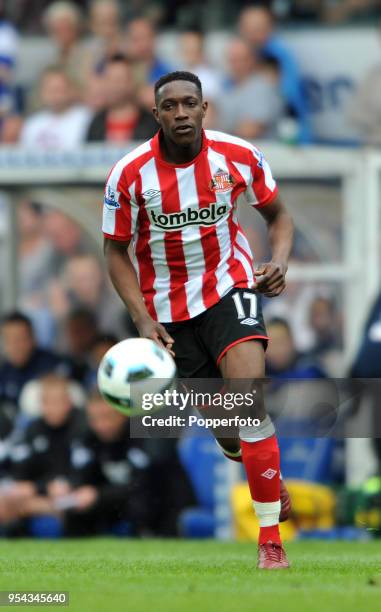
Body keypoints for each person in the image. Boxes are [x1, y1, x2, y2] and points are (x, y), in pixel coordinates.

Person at [102, 71, 294, 569]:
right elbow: (115, 250)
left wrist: (279, 260)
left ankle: (269, 539)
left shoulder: (238, 156)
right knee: (231, 432)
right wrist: (142, 319)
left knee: (247, 398)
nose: (182, 113)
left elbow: (280, 216)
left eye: (191, 104)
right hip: (167, 310)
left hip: (230, 285)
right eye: (171, 106)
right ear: (157, 114)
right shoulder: (129, 174)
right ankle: (264, 471)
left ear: (205, 109)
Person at [1, 374, 86, 534]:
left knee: (48, 522)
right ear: (42, 404)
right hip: (41, 496)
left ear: (69, 401)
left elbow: (81, 473)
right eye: (49, 402)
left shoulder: (82, 426)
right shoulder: (33, 429)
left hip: (74, 496)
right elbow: (21, 473)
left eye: (59, 401)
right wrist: (40, 487)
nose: (54, 408)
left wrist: (40, 487)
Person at [238, 4, 310, 142]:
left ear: (270, 29)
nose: (252, 34)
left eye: (258, 28)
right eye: (248, 29)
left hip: (290, 140)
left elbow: (287, 100)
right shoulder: (241, 53)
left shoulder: (279, 56)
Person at [0, 312, 70, 410]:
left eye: (19, 339)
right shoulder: (3, 372)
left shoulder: (51, 365)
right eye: (9, 340)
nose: (14, 346)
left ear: (32, 339)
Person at [219, 38, 284, 139]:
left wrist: (216, 131)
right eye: (232, 59)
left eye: (240, 59)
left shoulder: (261, 88)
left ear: (252, 60)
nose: (235, 64)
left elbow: (251, 130)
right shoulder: (227, 87)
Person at [86, 54, 158, 143]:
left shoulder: (151, 123)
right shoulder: (96, 124)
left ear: (132, 82)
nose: (114, 85)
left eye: (119, 79)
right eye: (109, 79)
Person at [19, 66, 92, 151]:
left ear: (70, 90)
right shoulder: (32, 124)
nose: (54, 95)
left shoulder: (86, 118)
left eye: (58, 89)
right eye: (49, 89)